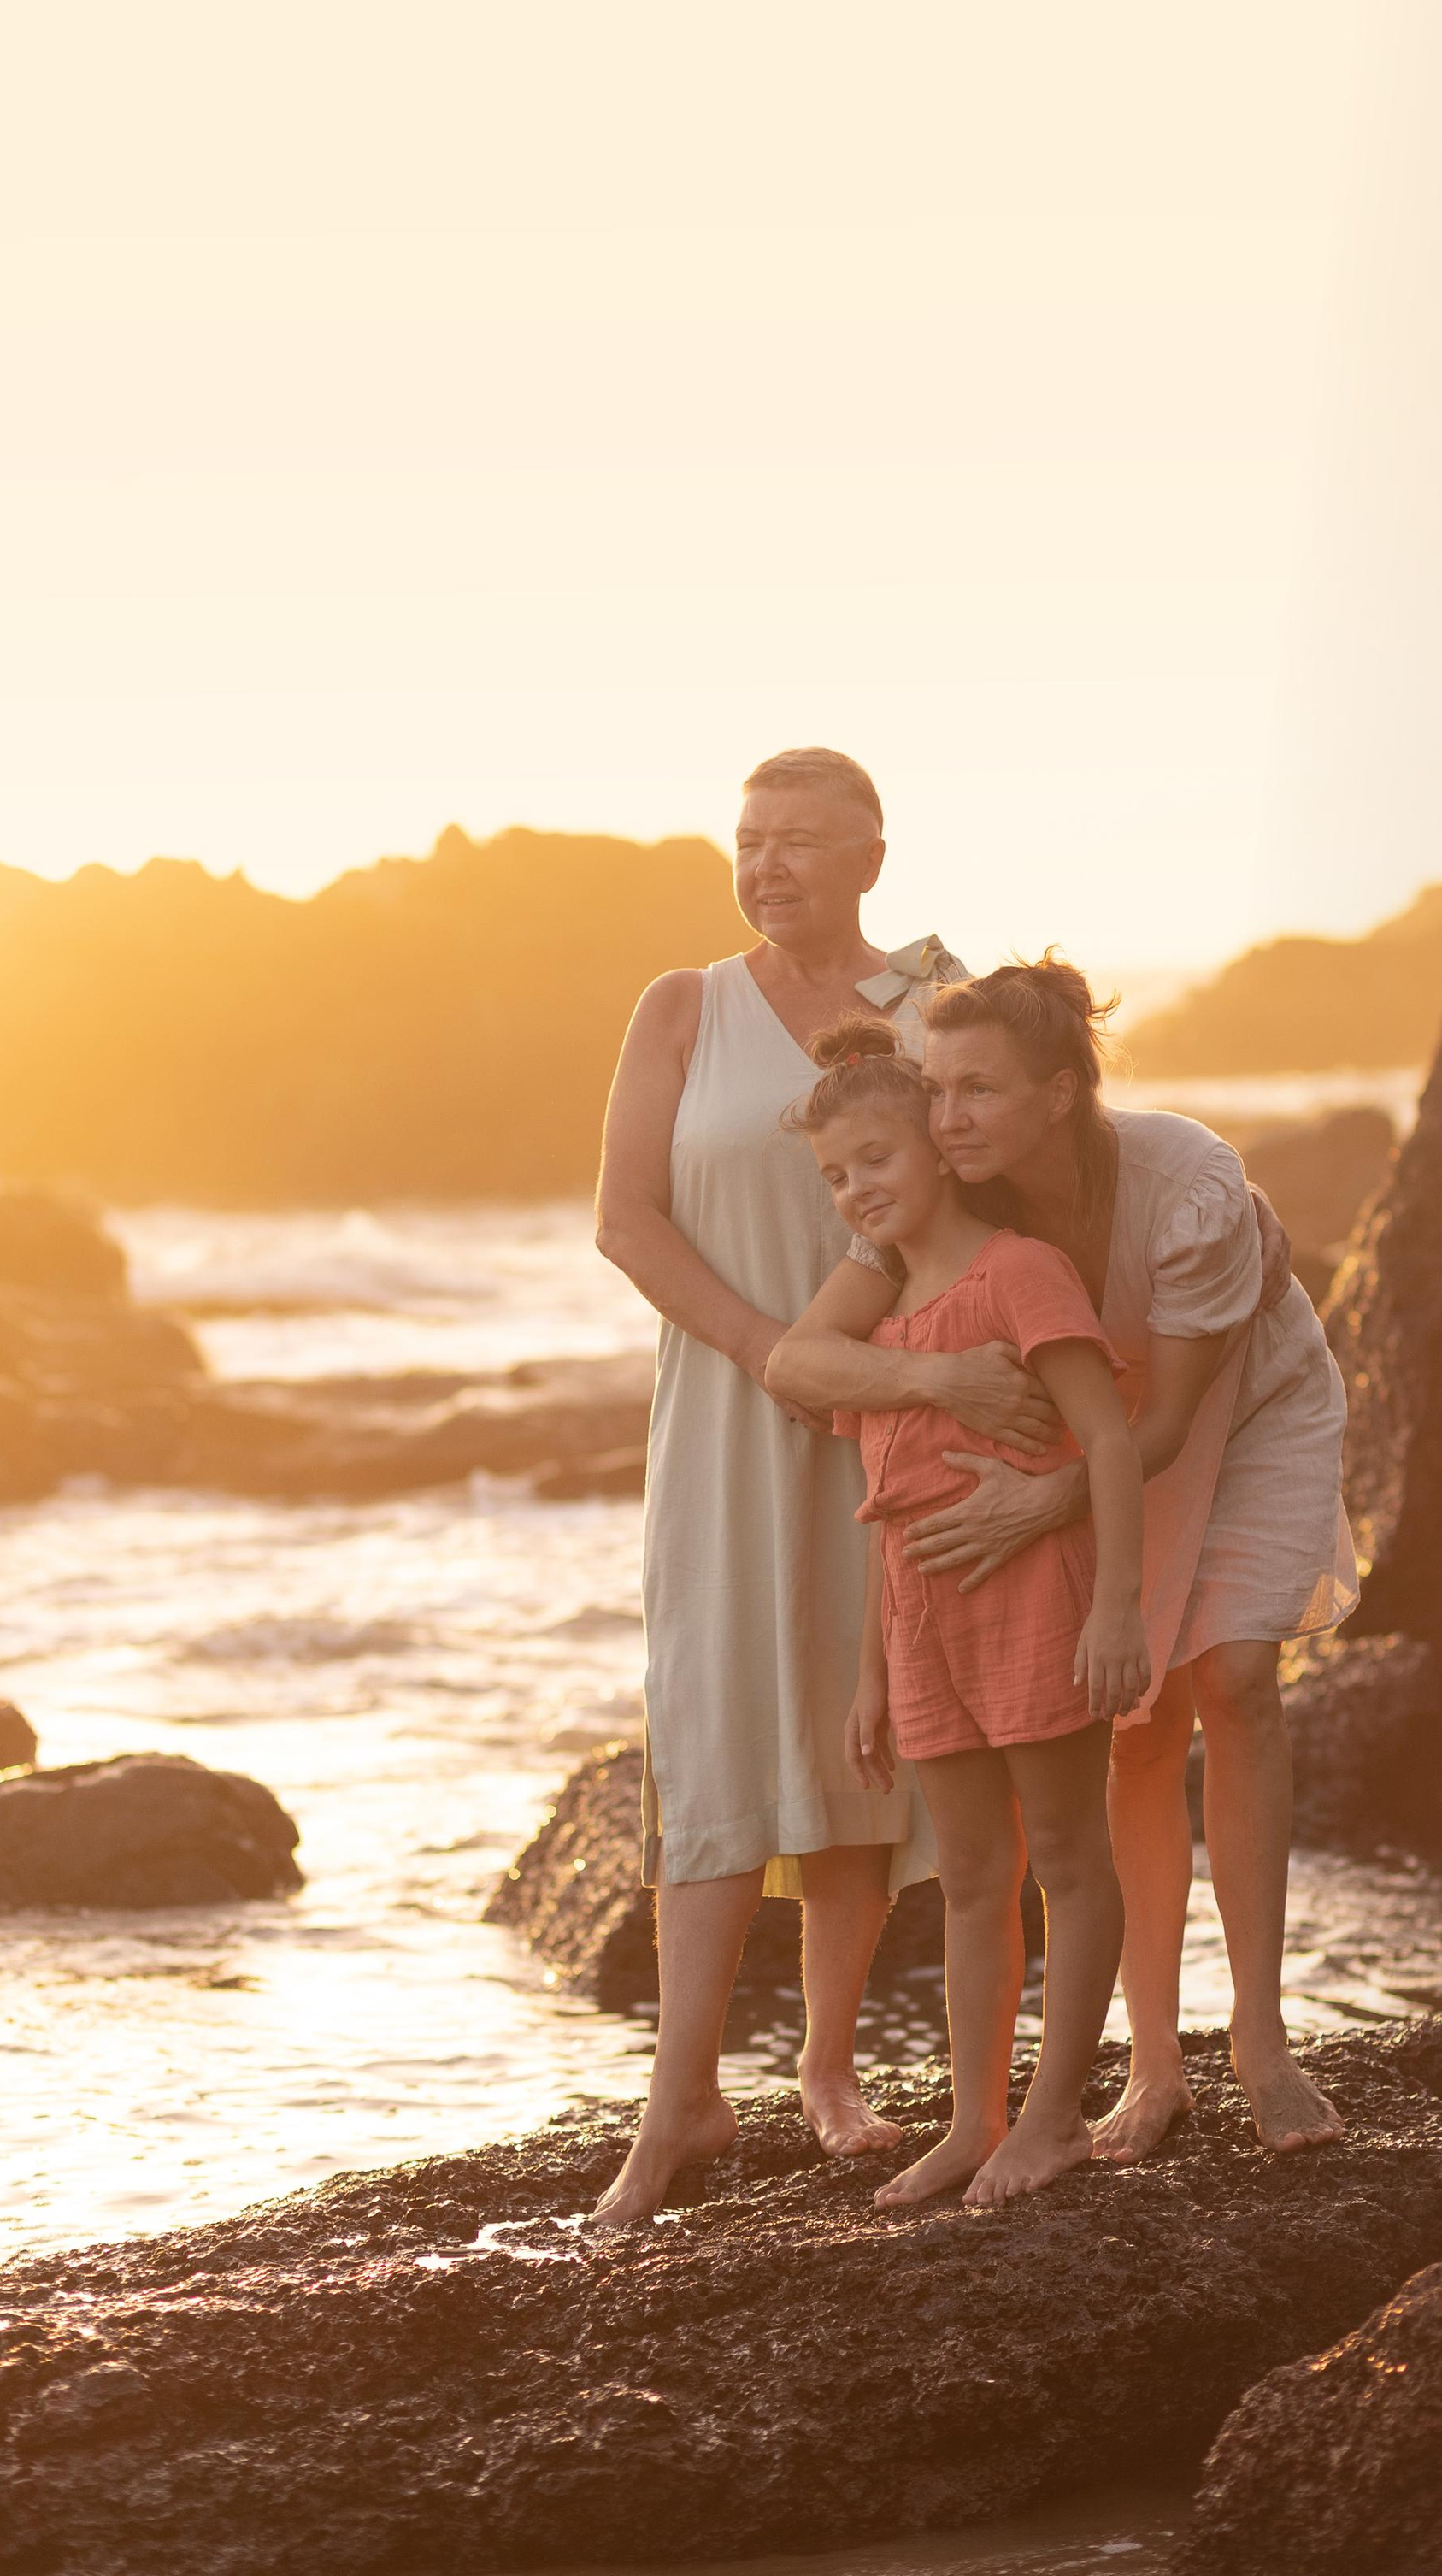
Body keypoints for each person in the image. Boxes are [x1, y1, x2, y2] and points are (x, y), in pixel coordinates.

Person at [766, 957, 1359, 2158]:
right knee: (1135, 1728)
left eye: (978, 1090)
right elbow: (797, 1363)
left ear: (1061, 1093)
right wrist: (933, 1379)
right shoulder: (942, 1198)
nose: (947, 1117)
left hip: (1236, 1413)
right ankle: (1152, 2066)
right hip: (1093, 1441)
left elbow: (1167, 1428)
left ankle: (1261, 2038)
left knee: (1234, 1679)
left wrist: (1031, 1510)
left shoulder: (1184, 1184)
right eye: (936, 1089)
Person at [590, 749, 1036, 2227]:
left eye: (798, 842)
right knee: (716, 1723)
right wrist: (772, 1352)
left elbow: (1006, 1172)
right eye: (747, 841)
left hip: (909, 1404)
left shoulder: (935, 1003)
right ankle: (682, 2103)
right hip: (729, 1406)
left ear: (870, 855)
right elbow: (626, 1219)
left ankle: (828, 2069)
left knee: (870, 1733)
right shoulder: (682, 1007)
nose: (767, 865)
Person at [792, 1016, 1146, 2207]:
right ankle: (974, 2120)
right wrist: (872, 1676)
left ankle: (1055, 2121)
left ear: (941, 1150)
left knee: (1068, 1860)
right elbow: (887, 1514)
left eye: (879, 1161)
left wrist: (1118, 1614)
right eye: (838, 1177)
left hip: (1037, 1606)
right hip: (925, 1630)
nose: (859, 1191)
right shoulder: (881, 1332)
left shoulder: (1019, 1273)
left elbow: (1105, 1435)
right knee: (971, 1876)